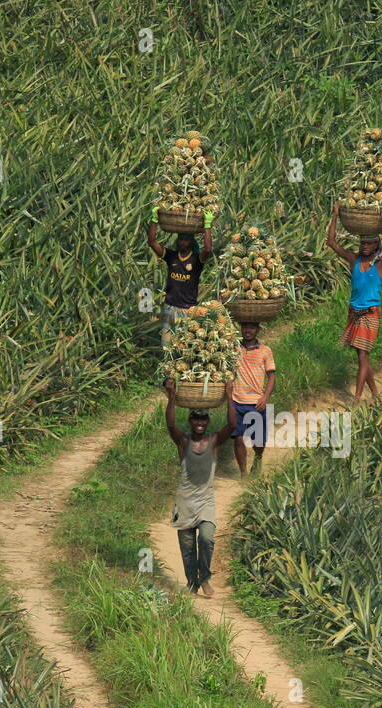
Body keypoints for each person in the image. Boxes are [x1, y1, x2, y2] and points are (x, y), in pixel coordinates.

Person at [163, 379, 236, 597]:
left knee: (206, 539)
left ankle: (204, 578)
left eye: (203, 418)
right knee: (187, 549)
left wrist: (229, 394)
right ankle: (191, 583)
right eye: (195, 418)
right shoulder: (183, 442)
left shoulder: (213, 441)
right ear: (190, 420)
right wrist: (172, 397)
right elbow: (170, 425)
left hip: (205, 502)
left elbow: (232, 425)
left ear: (208, 420)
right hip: (185, 502)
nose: (200, 422)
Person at [325, 203, 382, 402]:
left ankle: (356, 398)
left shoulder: (380, 265)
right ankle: (375, 394)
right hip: (354, 313)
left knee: (363, 357)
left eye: (368, 244)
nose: (364, 247)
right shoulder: (354, 260)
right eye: (362, 244)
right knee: (361, 357)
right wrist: (335, 214)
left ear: (375, 245)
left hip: (370, 314)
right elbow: (331, 242)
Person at [147, 206, 214, 345]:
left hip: (188, 309)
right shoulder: (172, 257)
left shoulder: (196, 260)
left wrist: (207, 226)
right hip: (170, 308)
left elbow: (208, 249)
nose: (182, 242)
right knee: (166, 345)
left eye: (185, 239)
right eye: (180, 239)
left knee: (184, 345)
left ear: (191, 242)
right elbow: (152, 242)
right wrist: (154, 220)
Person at [231, 322, 276, 475]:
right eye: (245, 327)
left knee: (259, 442)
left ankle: (258, 457)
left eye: (251, 327)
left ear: (257, 329)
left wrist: (265, 397)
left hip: (257, 403)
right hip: (236, 401)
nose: (247, 331)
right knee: (238, 438)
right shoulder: (234, 349)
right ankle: (243, 473)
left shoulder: (265, 351)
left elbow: (271, 377)